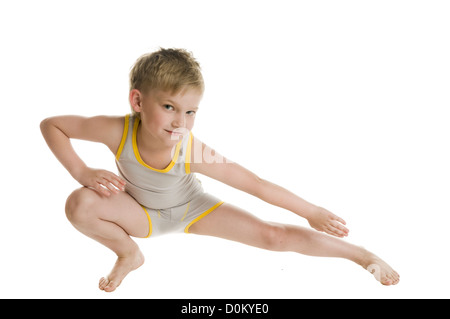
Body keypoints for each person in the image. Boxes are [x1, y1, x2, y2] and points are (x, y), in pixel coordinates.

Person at [40, 48, 399, 292]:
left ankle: (362, 256)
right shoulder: (115, 129)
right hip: (139, 213)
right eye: (169, 106)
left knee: (273, 236)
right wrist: (82, 172)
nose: (180, 121)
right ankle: (129, 254)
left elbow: (256, 184)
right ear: (138, 101)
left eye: (191, 111)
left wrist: (311, 211)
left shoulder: (190, 150)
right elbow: (52, 125)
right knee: (80, 203)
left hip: (192, 209)